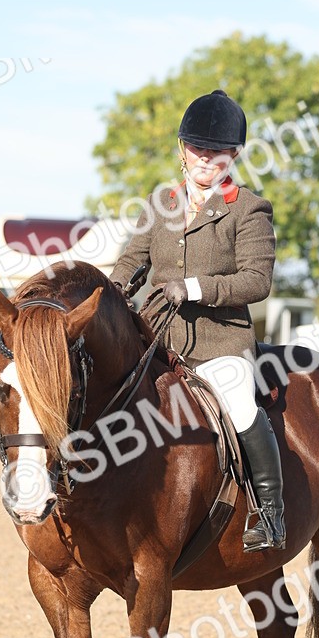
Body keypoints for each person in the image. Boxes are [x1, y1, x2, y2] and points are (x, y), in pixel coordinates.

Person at [110, 89, 285, 551]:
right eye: (198, 149)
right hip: (156, 335)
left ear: (235, 155)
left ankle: (269, 513)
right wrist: (112, 292)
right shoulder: (162, 201)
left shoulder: (248, 208)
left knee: (239, 401)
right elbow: (133, 259)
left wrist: (194, 288)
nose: (206, 159)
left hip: (219, 342)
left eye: (218, 152)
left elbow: (256, 281)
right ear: (182, 149)